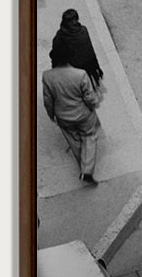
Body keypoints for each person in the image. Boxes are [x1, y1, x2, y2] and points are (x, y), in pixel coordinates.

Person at [43, 49, 102, 185]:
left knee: (74, 139)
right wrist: (93, 105)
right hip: (83, 114)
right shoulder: (80, 74)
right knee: (89, 136)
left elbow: (48, 100)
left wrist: (51, 115)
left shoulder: (47, 76)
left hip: (63, 116)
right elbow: (89, 96)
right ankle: (87, 170)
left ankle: (82, 163)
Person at [50, 9, 104, 92]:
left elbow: (56, 54)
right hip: (89, 65)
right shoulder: (84, 30)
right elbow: (90, 50)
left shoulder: (60, 36)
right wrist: (97, 67)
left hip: (74, 68)